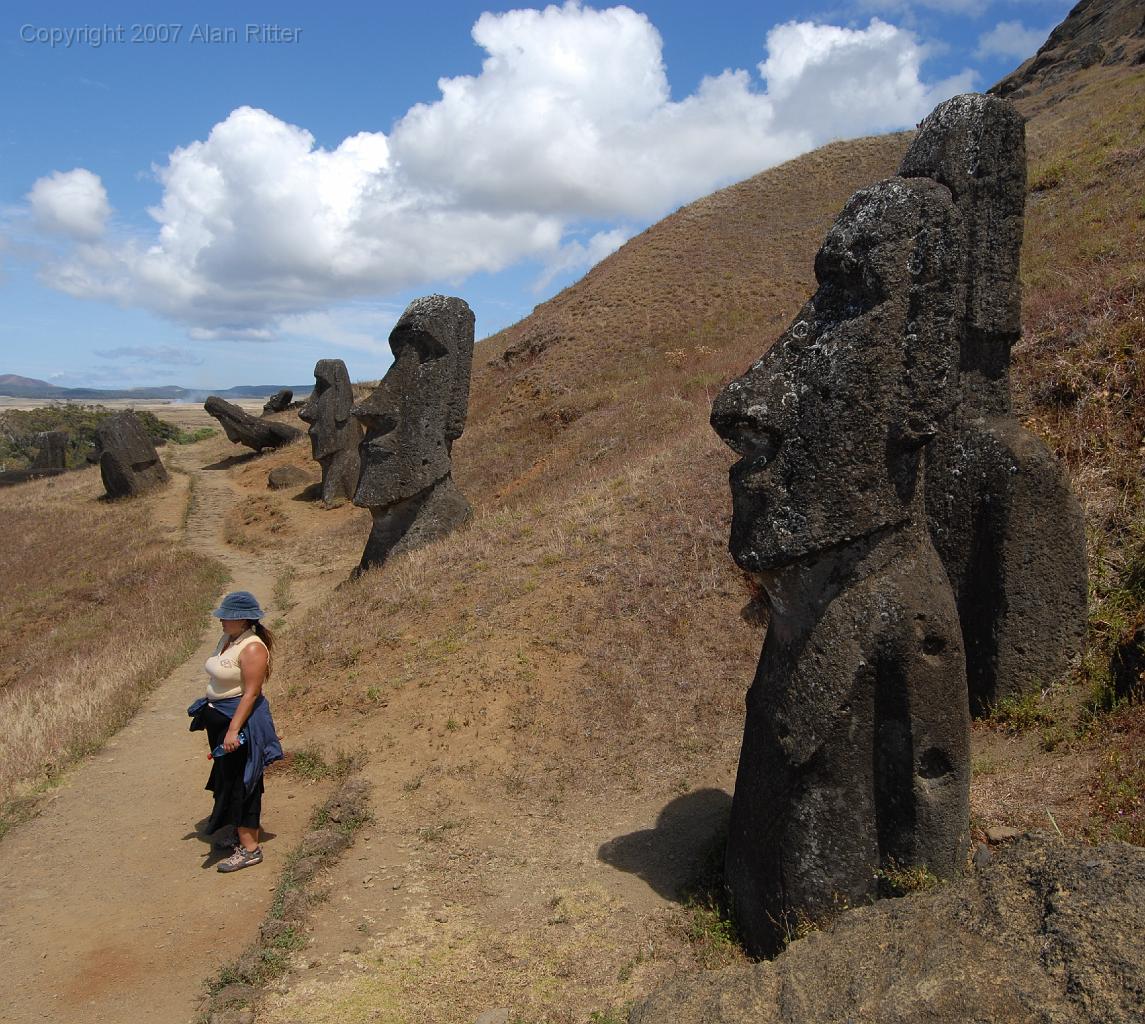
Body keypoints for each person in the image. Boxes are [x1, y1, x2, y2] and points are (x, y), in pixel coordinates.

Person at [187, 590, 283, 872]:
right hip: (222, 718)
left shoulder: (252, 648)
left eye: (226, 617)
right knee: (228, 779)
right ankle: (237, 831)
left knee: (245, 783)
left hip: (241, 723)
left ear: (243, 620)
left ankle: (250, 848)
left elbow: (251, 693)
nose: (221, 621)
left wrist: (233, 730)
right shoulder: (229, 639)